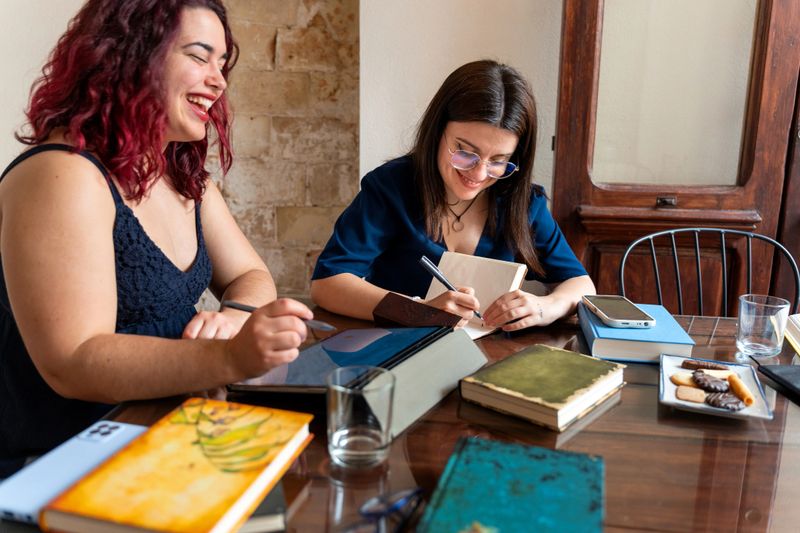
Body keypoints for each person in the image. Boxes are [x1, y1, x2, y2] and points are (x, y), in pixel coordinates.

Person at [0, 0, 313, 477]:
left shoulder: (184, 179)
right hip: (56, 464)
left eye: (221, 63)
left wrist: (234, 318)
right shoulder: (61, 174)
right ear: (130, 54)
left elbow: (251, 274)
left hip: (160, 435)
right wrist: (227, 358)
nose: (219, 81)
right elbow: (73, 362)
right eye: (199, 56)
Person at [311, 59, 595, 329]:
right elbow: (327, 283)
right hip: (401, 349)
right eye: (465, 152)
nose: (479, 174)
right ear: (437, 132)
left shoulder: (521, 201)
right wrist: (417, 311)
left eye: (498, 161)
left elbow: (581, 285)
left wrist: (545, 307)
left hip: (493, 353)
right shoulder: (392, 187)